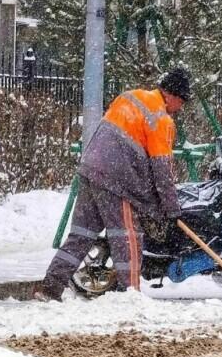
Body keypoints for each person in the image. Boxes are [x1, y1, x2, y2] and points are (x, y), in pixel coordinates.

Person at [35, 68, 191, 301]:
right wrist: (171, 209)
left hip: (90, 169)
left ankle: (49, 287)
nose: (181, 108)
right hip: (118, 181)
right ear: (173, 96)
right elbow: (162, 170)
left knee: (81, 234)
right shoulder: (161, 119)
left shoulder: (130, 96)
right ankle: (129, 294)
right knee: (127, 237)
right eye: (182, 101)